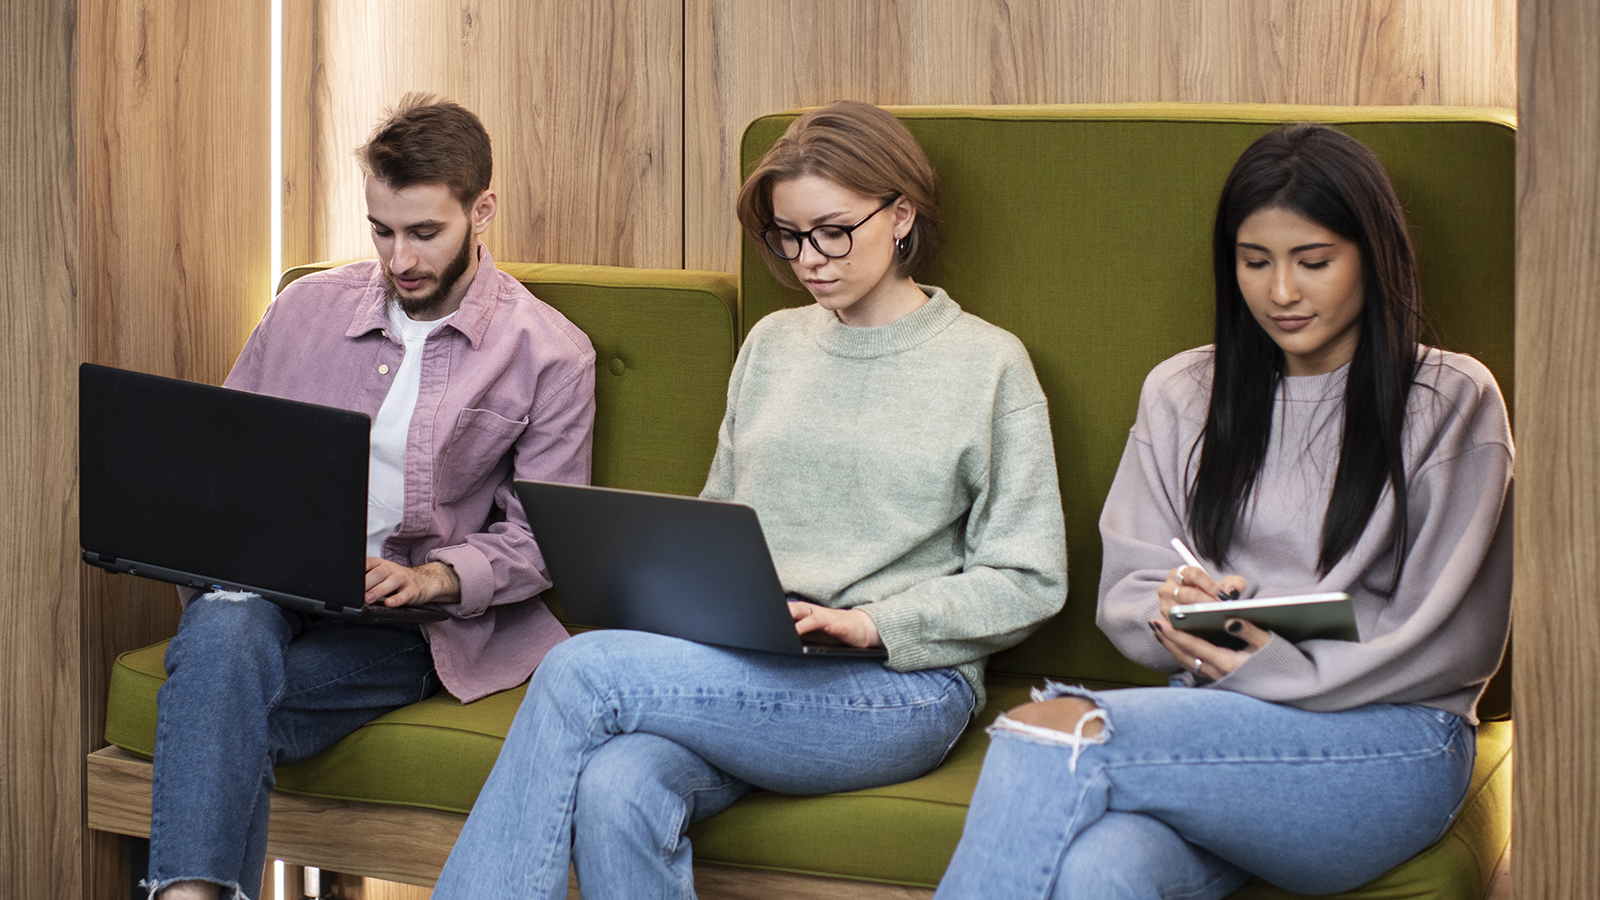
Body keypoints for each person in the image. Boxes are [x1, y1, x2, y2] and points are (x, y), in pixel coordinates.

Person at [430, 100, 1068, 900]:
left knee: (579, 671)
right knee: (617, 785)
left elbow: (1030, 576)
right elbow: (718, 515)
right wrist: (674, 584)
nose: (810, 259)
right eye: (788, 236)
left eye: (833, 230)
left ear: (901, 216)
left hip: (899, 685)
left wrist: (877, 623)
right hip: (752, 661)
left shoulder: (988, 366)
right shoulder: (773, 345)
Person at [933, 123, 1513, 900]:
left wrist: (1268, 665)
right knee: (1100, 874)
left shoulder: (1452, 399)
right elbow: (1131, 593)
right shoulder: (1183, 392)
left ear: (1374, 258)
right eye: (1254, 262)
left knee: (1053, 729)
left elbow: (1453, 640)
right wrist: (1172, 608)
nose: (1281, 292)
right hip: (1219, 721)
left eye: (1314, 262)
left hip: (1390, 742)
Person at [145, 95, 596, 900]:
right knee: (225, 619)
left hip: (408, 627)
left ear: (482, 209)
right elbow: (220, 458)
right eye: (382, 230)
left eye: (425, 232)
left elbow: (541, 541)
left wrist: (433, 579)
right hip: (274, 592)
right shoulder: (305, 309)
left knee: (217, 707)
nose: (401, 258)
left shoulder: (550, 353)